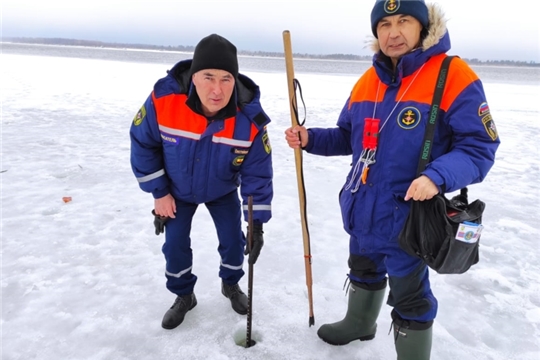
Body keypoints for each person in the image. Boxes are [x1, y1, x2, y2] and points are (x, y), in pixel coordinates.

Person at [285, 1, 499, 359]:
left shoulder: (453, 75)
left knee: (410, 294)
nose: (393, 32)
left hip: (410, 217)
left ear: (424, 27)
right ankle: (360, 323)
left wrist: (437, 176)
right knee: (362, 267)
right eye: (384, 24)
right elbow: (345, 135)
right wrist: (310, 139)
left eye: (403, 21)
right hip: (364, 208)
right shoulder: (368, 79)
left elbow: (479, 146)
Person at [130, 34, 273, 330]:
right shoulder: (164, 101)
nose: (217, 89)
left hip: (222, 189)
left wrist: (256, 223)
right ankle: (184, 295)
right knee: (175, 244)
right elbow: (143, 143)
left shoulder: (249, 118)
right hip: (176, 190)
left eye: (226, 79)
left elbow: (257, 173)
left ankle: (231, 284)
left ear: (235, 81)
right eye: (208, 77)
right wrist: (159, 193)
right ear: (194, 77)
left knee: (234, 241)